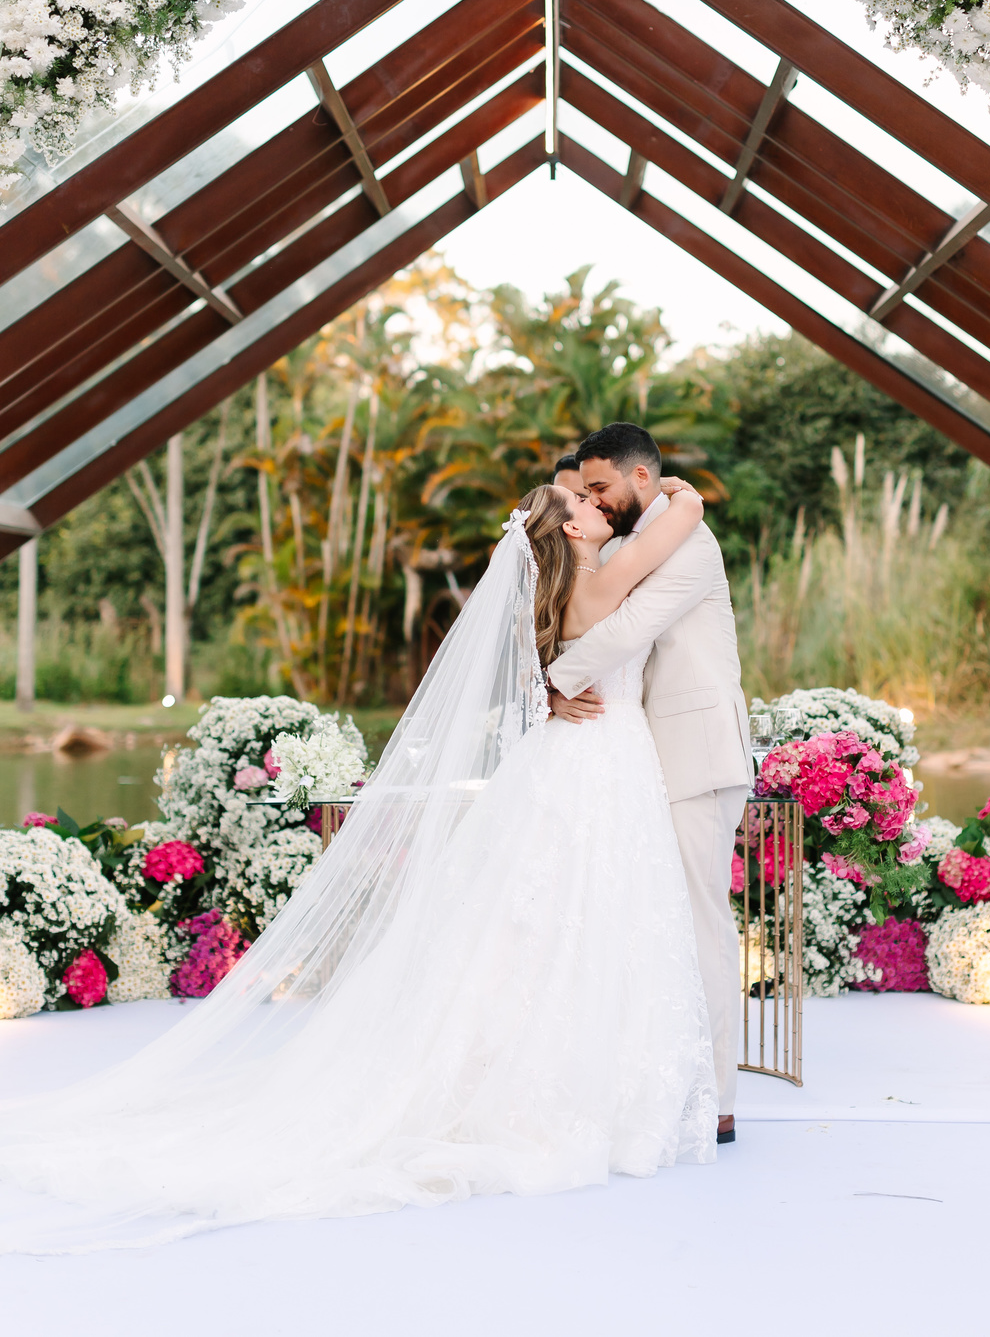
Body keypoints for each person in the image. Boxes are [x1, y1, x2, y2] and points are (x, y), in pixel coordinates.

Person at [0, 480, 718, 1253]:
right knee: (578, 913)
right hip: (600, 766)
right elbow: (689, 514)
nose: (593, 504)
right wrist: (667, 486)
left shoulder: (559, 587)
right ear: (569, 534)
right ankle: (569, 1090)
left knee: (541, 921)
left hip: (579, 761)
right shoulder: (602, 576)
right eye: (578, 503)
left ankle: (537, 1069)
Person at [548, 423, 753, 1144]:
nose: (591, 497)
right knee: (652, 922)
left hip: (696, 757)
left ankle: (719, 1099)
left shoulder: (686, 540)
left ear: (642, 479)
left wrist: (549, 681)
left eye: (600, 486)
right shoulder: (652, 533)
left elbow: (628, 628)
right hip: (648, 757)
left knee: (700, 925)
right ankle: (655, 1078)